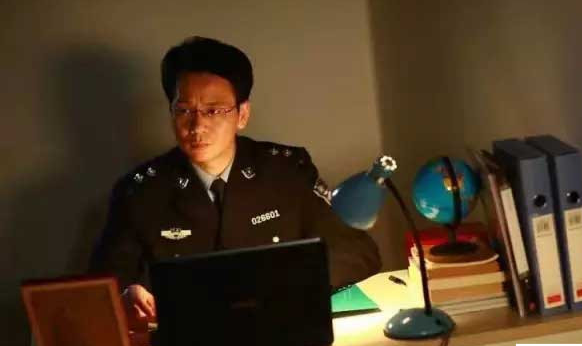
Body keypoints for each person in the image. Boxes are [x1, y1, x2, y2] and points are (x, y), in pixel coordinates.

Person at [89, 36, 381, 321]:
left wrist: (289, 280)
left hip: (279, 326)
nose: (197, 126)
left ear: (242, 115)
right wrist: (126, 295)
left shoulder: (286, 171)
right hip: (191, 338)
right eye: (184, 110)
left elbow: (357, 253)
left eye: (213, 111)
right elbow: (101, 285)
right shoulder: (142, 190)